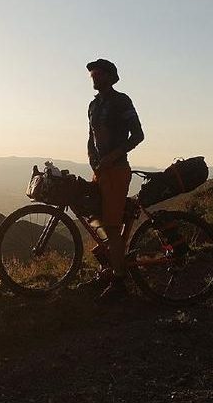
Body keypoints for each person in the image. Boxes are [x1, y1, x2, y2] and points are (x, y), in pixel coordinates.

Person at [86, 58, 144, 301]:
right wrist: (93, 161)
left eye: (99, 73)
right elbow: (90, 137)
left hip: (117, 170)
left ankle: (120, 282)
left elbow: (138, 135)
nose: (94, 76)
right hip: (100, 171)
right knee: (95, 219)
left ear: (111, 76)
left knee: (111, 228)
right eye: (92, 74)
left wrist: (112, 157)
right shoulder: (93, 105)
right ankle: (109, 268)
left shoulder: (122, 101)